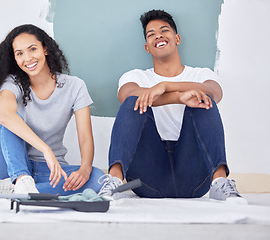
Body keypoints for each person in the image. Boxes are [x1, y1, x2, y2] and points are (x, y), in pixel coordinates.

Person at [98, 10, 246, 203]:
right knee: (133, 101)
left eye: (164, 30)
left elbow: (214, 92)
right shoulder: (136, 76)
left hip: (194, 176)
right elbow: (126, 94)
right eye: (151, 34)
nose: (158, 35)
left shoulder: (200, 74)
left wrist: (165, 86)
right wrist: (178, 97)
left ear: (176, 38)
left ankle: (219, 183)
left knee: (203, 100)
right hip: (147, 178)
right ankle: (114, 181)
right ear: (147, 48)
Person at [0, 24, 104, 195]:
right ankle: (21, 180)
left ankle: (13, 191)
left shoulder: (75, 86)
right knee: (10, 119)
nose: (27, 58)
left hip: (48, 170)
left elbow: (85, 137)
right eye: (19, 53)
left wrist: (85, 169)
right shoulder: (13, 83)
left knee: (98, 178)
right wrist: (46, 149)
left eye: (32, 49)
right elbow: (5, 115)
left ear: (45, 49)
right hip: (10, 166)